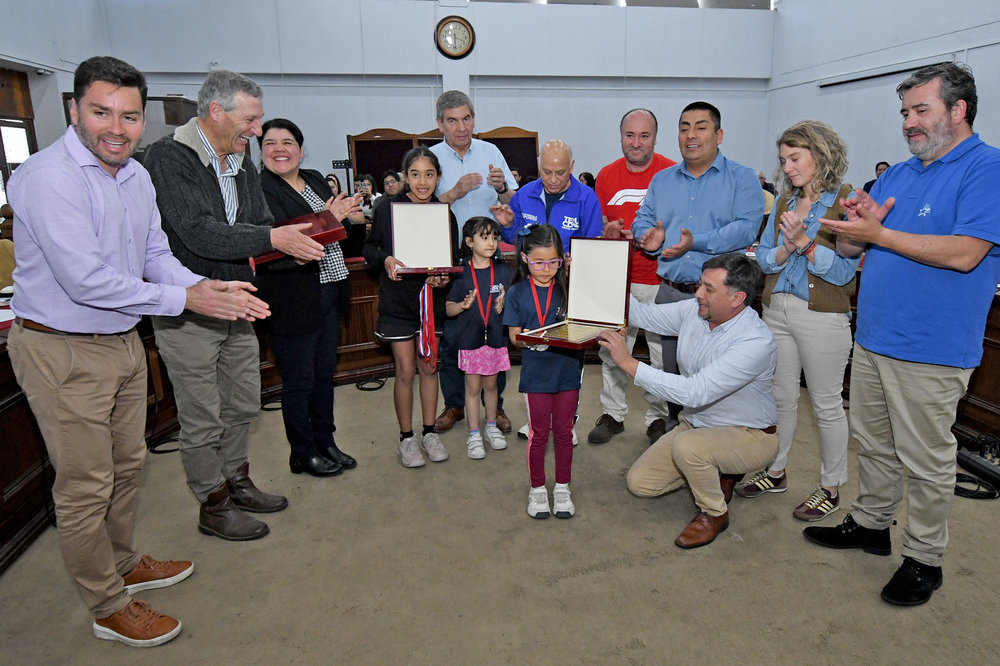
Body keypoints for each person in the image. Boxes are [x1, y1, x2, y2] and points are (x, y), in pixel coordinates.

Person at [7, 56, 268, 647]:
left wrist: (200, 288)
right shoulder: (51, 178)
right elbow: (87, 281)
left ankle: (122, 561)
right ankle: (105, 603)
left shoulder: (135, 175)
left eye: (129, 116)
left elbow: (153, 255)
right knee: (85, 485)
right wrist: (187, 298)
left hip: (123, 340)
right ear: (74, 110)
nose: (116, 129)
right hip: (62, 349)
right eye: (101, 113)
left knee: (128, 468)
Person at [804, 62, 1000, 606]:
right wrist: (854, 226)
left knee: (927, 461)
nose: (909, 123)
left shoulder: (986, 169)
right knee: (874, 445)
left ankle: (924, 559)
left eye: (921, 111)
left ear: (959, 111)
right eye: (905, 113)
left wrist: (881, 231)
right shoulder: (898, 175)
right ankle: (870, 524)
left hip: (931, 351)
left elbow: (966, 254)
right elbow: (852, 248)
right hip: (873, 340)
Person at [144, 70, 306, 542]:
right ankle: (212, 502)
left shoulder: (239, 160)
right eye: (251, 120)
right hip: (190, 307)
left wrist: (277, 238)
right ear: (216, 112)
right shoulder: (169, 158)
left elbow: (257, 221)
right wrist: (272, 237)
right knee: (201, 413)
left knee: (242, 401)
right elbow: (196, 231)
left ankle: (236, 479)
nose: (257, 131)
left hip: (239, 302)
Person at [598, 253, 778, 549]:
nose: (698, 294)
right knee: (641, 483)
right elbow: (643, 315)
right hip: (697, 426)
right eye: (700, 285)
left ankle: (714, 513)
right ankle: (716, 468)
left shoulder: (755, 342)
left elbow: (696, 392)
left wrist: (629, 364)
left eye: (709, 288)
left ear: (737, 298)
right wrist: (605, 275)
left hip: (749, 434)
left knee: (688, 448)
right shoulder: (695, 310)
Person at [741, 120, 861, 522]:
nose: (787, 168)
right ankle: (775, 471)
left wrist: (805, 245)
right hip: (778, 309)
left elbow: (845, 274)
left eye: (795, 158)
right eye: (783, 160)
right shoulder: (783, 202)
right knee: (780, 398)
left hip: (822, 316)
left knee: (827, 404)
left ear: (821, 155)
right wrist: (785, 248)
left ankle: (830, 487)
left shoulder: (846, 202)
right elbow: (763, 256)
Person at [632, 101, 764, 444]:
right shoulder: (662, 181)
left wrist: (696, 243)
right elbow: (643, 220)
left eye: (701, 126)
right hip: (672, 292)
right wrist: (648, 237)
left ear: (718, 134)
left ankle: (720, 452)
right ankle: (680, 436)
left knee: (718, 381)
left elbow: (746, 229)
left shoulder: (743, 178)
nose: (691, 135)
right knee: (674, 373)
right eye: (684, 127)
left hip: (723, 301)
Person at [257, 118, 363, 477]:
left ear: (301, 151)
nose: (279, 149)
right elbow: (276, 243)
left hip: (330, 289)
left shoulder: (316, 180)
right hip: (293, 297)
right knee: (299, 380)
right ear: (261, 151)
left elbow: (338, 230)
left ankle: (325, 442)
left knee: (322, 376)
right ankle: (302, 451)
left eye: (288, 142)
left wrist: (342, 218)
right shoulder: (260, 191)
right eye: (270, 143)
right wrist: (328, 219)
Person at [363, 146, 457, 468]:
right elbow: (370, 249)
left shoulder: (445, 213)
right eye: (415, 174)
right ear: (406, 177)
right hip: (399, 303)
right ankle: (406, 438)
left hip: (433, 302)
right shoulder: (387, 208)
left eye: (429, 174)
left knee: (430, 366)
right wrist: (386, 259)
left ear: (438, 177)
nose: (422, 182)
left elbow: (452, 260)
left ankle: (429, 432)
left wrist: (444, 279)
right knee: (405, 370)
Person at [431, 90, 518, 434]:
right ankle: (454, 404)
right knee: (455, 334)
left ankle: (497, 405)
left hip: (490, 254)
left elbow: (512, 202)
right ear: (440, 123)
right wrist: (452, 194)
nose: (461, 127)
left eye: (466, 118)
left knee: (494, 330)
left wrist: (501, 190)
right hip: (450, 256)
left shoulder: (491, 152)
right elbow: (418, 208)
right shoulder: (431, 158)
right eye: (452, 120)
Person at [589, 108, 677, 445]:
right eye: (630, 135)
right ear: (621, 136)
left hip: (660, 279)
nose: (636, 143)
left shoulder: (671, 172)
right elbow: (599, 226)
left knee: (659, 356)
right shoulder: (606, 176)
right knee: (612, 350)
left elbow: (682, 226)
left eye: (644, 136)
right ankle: (612, 414)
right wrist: (607, 232)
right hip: (618, 279)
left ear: (655, 137)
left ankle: (657, 418)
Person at [504, 225, 584, 519]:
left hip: (567, 371)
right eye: (539, 262)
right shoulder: (516, 293)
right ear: (525, 258)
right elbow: (513, 336)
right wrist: (529, 338)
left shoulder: (569, 287)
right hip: (536, 375)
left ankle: (562, 486)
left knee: (564, 432)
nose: (547, 268)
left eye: (554, 262)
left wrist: (576, 273)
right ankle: (537, 489)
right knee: (539, 434)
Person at [444, 217, 513, 459]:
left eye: (495, 237)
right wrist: (462, 306)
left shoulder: (504, 271)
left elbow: (516, 306)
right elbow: (448, 308)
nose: (491, 242)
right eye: (484, 237)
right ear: (469, 242)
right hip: (470, 340)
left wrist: (506, 304)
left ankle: (491, 427)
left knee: (491, 386)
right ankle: (474, 434)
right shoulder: (460, 273)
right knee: (472, 388)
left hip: (495, 339)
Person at [492, 139, 603, 249]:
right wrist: (508, 225)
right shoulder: (524, 195)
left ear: (571, 167)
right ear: (539, 164)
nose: (553, 179)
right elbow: (514, 239)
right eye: (547, 172)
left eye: (560, 173)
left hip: (569, 266)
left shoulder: (587, 199)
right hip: (531, 266)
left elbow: (593, 246)